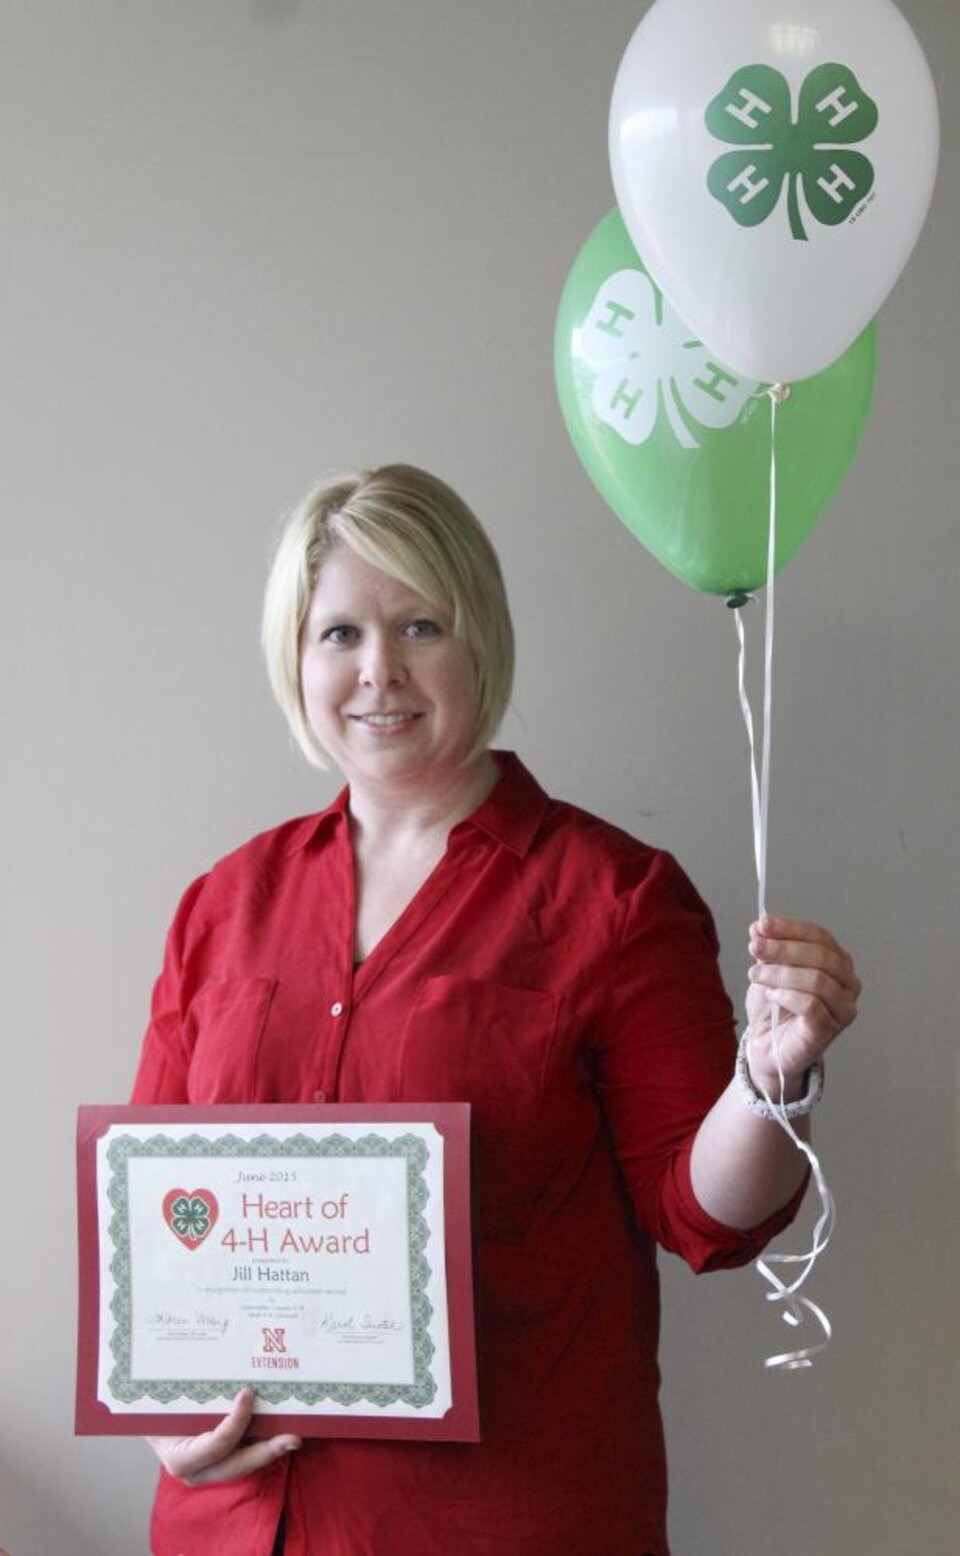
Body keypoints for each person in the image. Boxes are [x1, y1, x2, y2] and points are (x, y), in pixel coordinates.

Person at [131, 464, 860, 1556]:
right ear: (296, 655)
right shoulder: (220, 905)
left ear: (482, 639)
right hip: (236, 1526)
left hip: (502, 1520)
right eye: (339, 633)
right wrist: (161, 1418)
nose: (379, 671)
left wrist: (769, 1081)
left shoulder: (616, 897)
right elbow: (154, 1226)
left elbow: (703, 1214)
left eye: (420, 623)